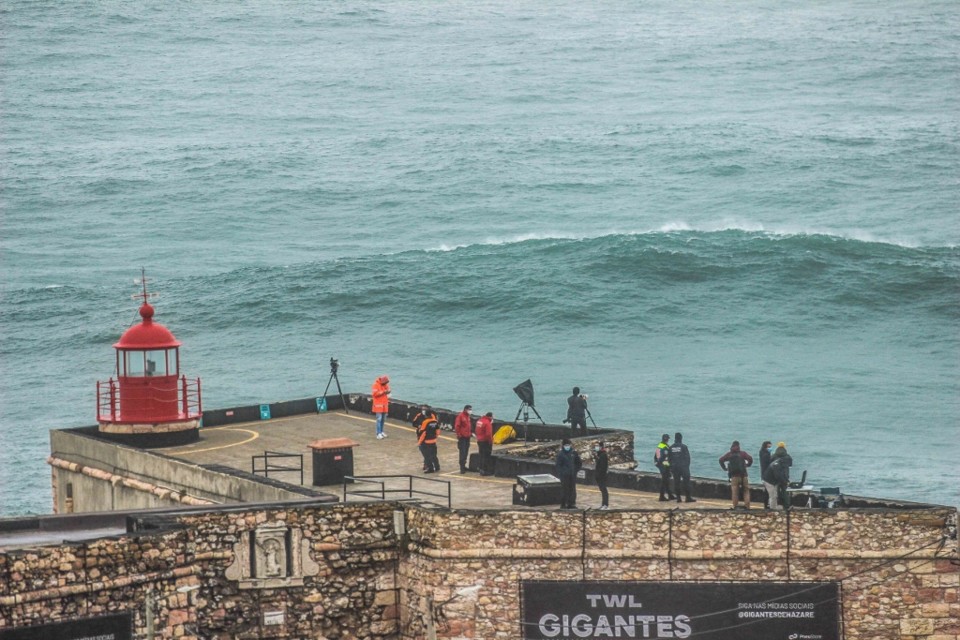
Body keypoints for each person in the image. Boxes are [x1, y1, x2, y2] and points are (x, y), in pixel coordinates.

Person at [719, 441, 754, 509]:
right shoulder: (743, 453)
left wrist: (724, 468)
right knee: (746, 491)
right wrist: (748, 465)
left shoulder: (729, 454)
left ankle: (735, 507)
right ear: (739, 446)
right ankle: (747, 507)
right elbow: (750, 458)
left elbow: (720, 460)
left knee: (735, 492)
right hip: (744, 475)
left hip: (734, 476)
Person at [762, 442, 793, 510]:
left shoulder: (774, 456)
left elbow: (770, 464)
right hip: (780, 477)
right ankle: (785, 506)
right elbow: (790, 464)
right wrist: (785, 480)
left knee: (775, 494)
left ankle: (776, 505)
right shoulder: (787, 456)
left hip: (773, 477)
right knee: (783, 491)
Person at [669, 432, 696, 503]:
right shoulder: (684, 447)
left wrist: (671, 468)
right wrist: (686, 467)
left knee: (676, 483)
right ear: (681, 438)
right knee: (686, 482)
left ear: (675, 438)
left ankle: (678, 498)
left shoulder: (671, 447)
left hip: (675, 468)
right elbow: (688, 458)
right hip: (683, 467)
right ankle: (688, 498)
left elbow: (669, 459)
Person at [555, 438, 582, 509]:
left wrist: (575, 470)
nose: (567, 446)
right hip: (564, 476)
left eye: (568, 445)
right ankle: (563, 504)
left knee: (572, 489)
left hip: (572, 475)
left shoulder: (573, 453)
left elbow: (578, 463)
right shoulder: (560, 454)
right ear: (563, 446)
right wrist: (562, 473)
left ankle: (571, 503)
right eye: (566, 445)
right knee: (565, 490)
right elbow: (558, 465)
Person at [414, 405, 440, 473]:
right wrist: (434, 437)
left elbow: (423, 433)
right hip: (433, 441)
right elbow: (438, 431)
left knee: (426, 456)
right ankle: (437, 467)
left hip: (426, 442)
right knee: (434, 455)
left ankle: (430, 468)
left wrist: (419, 442)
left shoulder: (425, 422)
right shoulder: (435, 421)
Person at [654, 433, 675, 502]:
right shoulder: (665, 447)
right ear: (667, 439)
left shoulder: (659, 445)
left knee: (666, 481)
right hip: (664, 466)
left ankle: (670, 495)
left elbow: (656, 456)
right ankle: (661, 496)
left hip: (661, 465)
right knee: (664, 481)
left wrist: (657, 463)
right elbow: (664, 457)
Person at [454, 405, 474, 474]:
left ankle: (464, 465)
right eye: (469, 409)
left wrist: (470, 433)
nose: (470, 410)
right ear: (465, 409)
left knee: (466, 452)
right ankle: (462, 468)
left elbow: (468, 426)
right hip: (462, 437)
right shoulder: (460, 416)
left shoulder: (468, 416)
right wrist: (459, 435)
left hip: (467, 437)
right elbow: (457, 426)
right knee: (462, 452)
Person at [371, 375, 391, 439]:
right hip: (378, 405)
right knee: (379, 419)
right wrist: (383, 392)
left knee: (383, 419)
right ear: (382, 381)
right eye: (385, 383)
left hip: (384, 404)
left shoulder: (385, 385)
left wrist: (388, 391)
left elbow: (388, 389)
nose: (386, 384)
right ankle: (378, 433)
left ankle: (381, 432)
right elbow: (375, 394)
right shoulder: (375, 385)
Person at [594, 441, 609, 509]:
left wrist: (599, 475)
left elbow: (603, 467)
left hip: (602, 476)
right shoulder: (600, 455)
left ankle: (605, 504)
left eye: (597, 446)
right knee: (602, 490)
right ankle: (603, 504)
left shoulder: (603, 455)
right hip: (599, 476)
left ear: (601, 447)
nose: (596, 447)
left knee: (604, 490)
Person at [758, 441, 773, 509]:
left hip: (763, 473)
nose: (770, 448)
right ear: (765, 447)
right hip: (766, 474)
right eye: (769, 447)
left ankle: (766, 504)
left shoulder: (762, 453)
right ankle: (767, 505)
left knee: (766, 490)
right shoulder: (766, 455)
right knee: (768, 491)